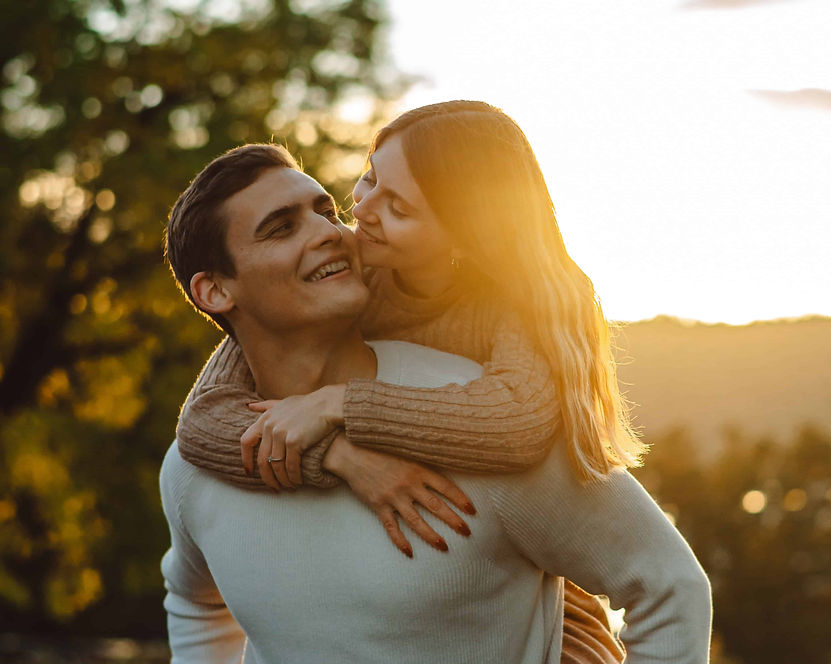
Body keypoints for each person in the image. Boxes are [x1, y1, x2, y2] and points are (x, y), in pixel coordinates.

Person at [160, 142, 712, 662]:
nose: (331, 232)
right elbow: (195, 602)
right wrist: (337, 453)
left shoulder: (478, 423)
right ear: (215, 291)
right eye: (282, 228)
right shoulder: (193, 468)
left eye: (325, 212)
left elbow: (669, 587)